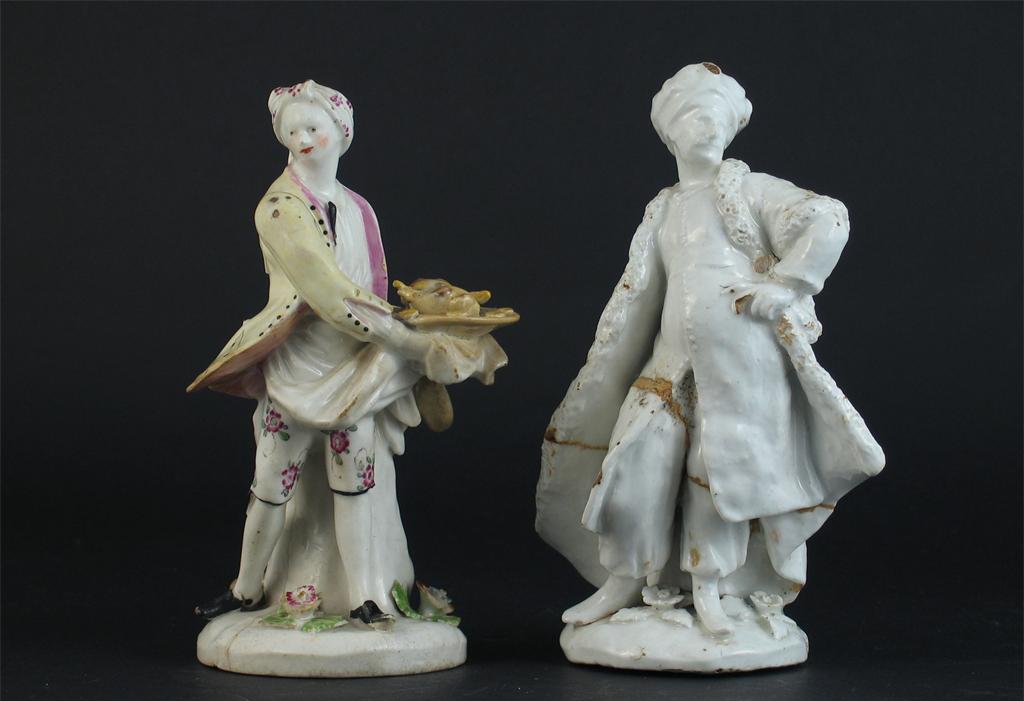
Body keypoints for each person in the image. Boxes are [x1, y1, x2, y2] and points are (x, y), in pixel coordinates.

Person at [536, 63, 884, 635]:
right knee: (634, 461)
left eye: (718, 119)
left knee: (718, 477)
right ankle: (623, 581)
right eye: (696, 117)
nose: (708, 129)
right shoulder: (665, 207)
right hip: (670, 359)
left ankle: (709, 588)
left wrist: (788, 284)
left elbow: (828, 216)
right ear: (670, 132)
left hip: (743, 360)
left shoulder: (749, 189)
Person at [190, 80, 505, 626]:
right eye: (292, 131)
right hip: (299, 365)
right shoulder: (279, 209)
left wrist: (414, 330)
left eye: (314, 127)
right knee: (271, 485)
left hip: (357, 368)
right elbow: (331, 295)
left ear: (342, 133)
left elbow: (373, 285)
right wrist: (407, 341)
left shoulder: (359, 208)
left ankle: (365, 594)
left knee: (355, 481)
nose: (303, 139)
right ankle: (246, 587)